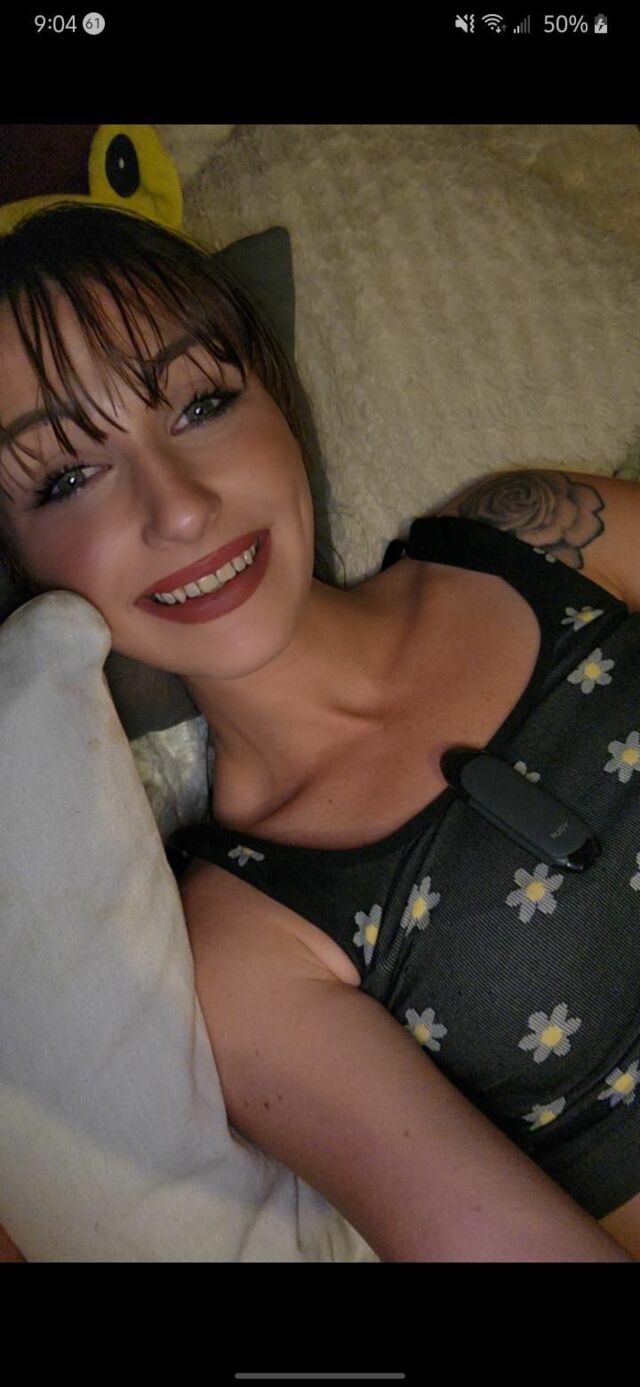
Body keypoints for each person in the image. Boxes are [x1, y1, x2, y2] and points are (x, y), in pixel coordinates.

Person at [0, 203, 637, 1263]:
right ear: (22, 570)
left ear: (279, 401)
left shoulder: (531, 529)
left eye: (201, 402)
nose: (181, 507)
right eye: (67, 478)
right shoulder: (248, 949)